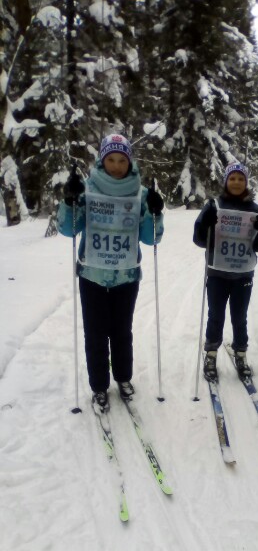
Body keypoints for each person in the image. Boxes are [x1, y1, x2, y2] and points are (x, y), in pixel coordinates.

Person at [57, 134, 164, 413]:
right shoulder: (88, 191)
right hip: (92, 275)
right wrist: (69, 201)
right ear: (102, 161)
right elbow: (69, 230)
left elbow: (151, 239)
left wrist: (155, 212)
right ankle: (99, 386)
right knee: (95, 333)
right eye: (111, 160)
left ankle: (123, 378)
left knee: (121, 331)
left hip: (126, 277)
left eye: (122, 160)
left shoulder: (139, 193)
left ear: (129, 162)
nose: (117, 166)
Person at [193, 162, 258, 382]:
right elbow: (199, 239)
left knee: (240, 317)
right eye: (233, 178)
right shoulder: (214, 205)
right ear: (226, 180)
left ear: (246, 182)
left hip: (243, 275)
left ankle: (240, 353)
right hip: (217, 273)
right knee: (215, 316)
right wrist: (205, 226)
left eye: (241, 178)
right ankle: (210, 354)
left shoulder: (255, 210)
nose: (236, 182)